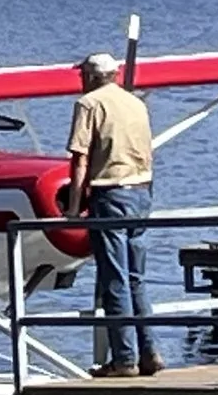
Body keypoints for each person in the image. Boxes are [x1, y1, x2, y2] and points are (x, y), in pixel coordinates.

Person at [65, 50, 160, 377]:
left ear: (90, 77)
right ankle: (150, 351)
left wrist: (74, 208)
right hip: (142, 192)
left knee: (114, 278)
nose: (80, 81)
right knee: (136, 278)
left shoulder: (88, 104)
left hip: (110, 194)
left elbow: (79, 159)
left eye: (82, 75)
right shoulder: (137, 103)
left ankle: (124, 359)